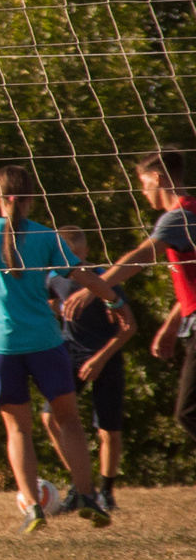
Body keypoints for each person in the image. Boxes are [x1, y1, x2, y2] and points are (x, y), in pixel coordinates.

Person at [0, 166, 115, 533]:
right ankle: (88, 497)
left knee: (18, 430)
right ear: (31, 199)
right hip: (45, 341)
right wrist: (114, 300)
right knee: (68, 420)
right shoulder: (46, 237)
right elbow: (81, 274)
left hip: (1, 346)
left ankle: (33, 508)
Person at [86, 149, 196, 450]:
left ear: (158, 179)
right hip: (191, 321)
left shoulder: (180, 217)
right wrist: (173, 324)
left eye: (143, 182)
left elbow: (140, 257)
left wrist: (93, 285)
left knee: (188, 413)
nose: (142, 191)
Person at [52, 225, 132, 516]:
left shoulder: (102, 280)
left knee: (108, 431)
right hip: (70, 358)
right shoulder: (54, 279)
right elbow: (51, 302)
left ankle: (107, 493)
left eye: (75, 254)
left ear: (85, 252)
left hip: (105, 359)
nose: (72, 261)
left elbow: (129, 326)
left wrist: (100, 359)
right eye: (65, 254)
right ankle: (80, 486)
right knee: (50, 418)